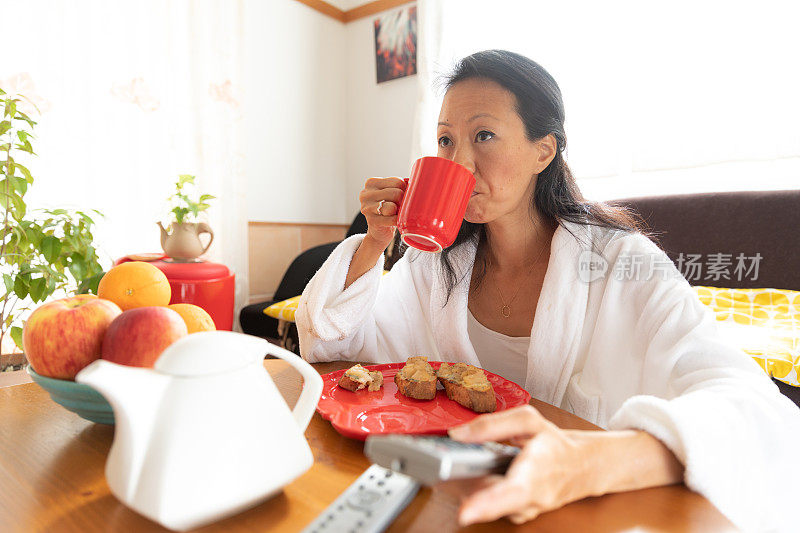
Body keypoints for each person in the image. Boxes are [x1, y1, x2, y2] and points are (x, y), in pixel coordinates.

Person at [296, 50, 800, 531]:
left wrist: (594, 460)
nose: (459, 162)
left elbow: (758, 412)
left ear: (544, 150)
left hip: (592, 504)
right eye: (446, 140)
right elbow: (341, 351)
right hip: (460, 497)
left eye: (485, 135)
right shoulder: (436, 265)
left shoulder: (621, 263)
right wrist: (375, 242)